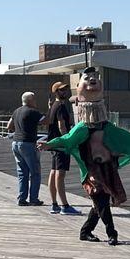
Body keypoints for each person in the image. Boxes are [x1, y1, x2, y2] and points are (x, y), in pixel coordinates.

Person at [39, 67, 130, 246]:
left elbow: (127, 138)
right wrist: (50, 144)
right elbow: (67, 138)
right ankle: (112, 233)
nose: (92, 80)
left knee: (99, 203)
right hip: (92, 171)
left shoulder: (106, 127)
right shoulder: (83, 128)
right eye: (87, 78)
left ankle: (85, 232)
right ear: (78, 91)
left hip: (108, 169)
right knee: (101, 200)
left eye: (95, 78)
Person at [7, 92, 50, 206]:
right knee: (35, 173)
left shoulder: (16, 111)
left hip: (16, 143)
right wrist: (50, 109)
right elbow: (46, 121)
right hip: (28, 144)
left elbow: (9, 126)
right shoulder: (33, 111)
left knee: (22, 173)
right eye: (35, 99)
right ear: (31, 100)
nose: (36, 101)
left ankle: (22, 198)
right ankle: (34, 199)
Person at [47, 81, 81, 215]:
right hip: (60, 143)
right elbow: (62, 126)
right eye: (61, 90)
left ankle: (54, 204)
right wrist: (68, 140)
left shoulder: (53, 105)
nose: (65, 92)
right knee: (60, 174)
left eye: (66, 89)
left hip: (53, 142)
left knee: (54, 171)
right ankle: (65, 206)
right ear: (56, 92)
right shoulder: (60, 106)